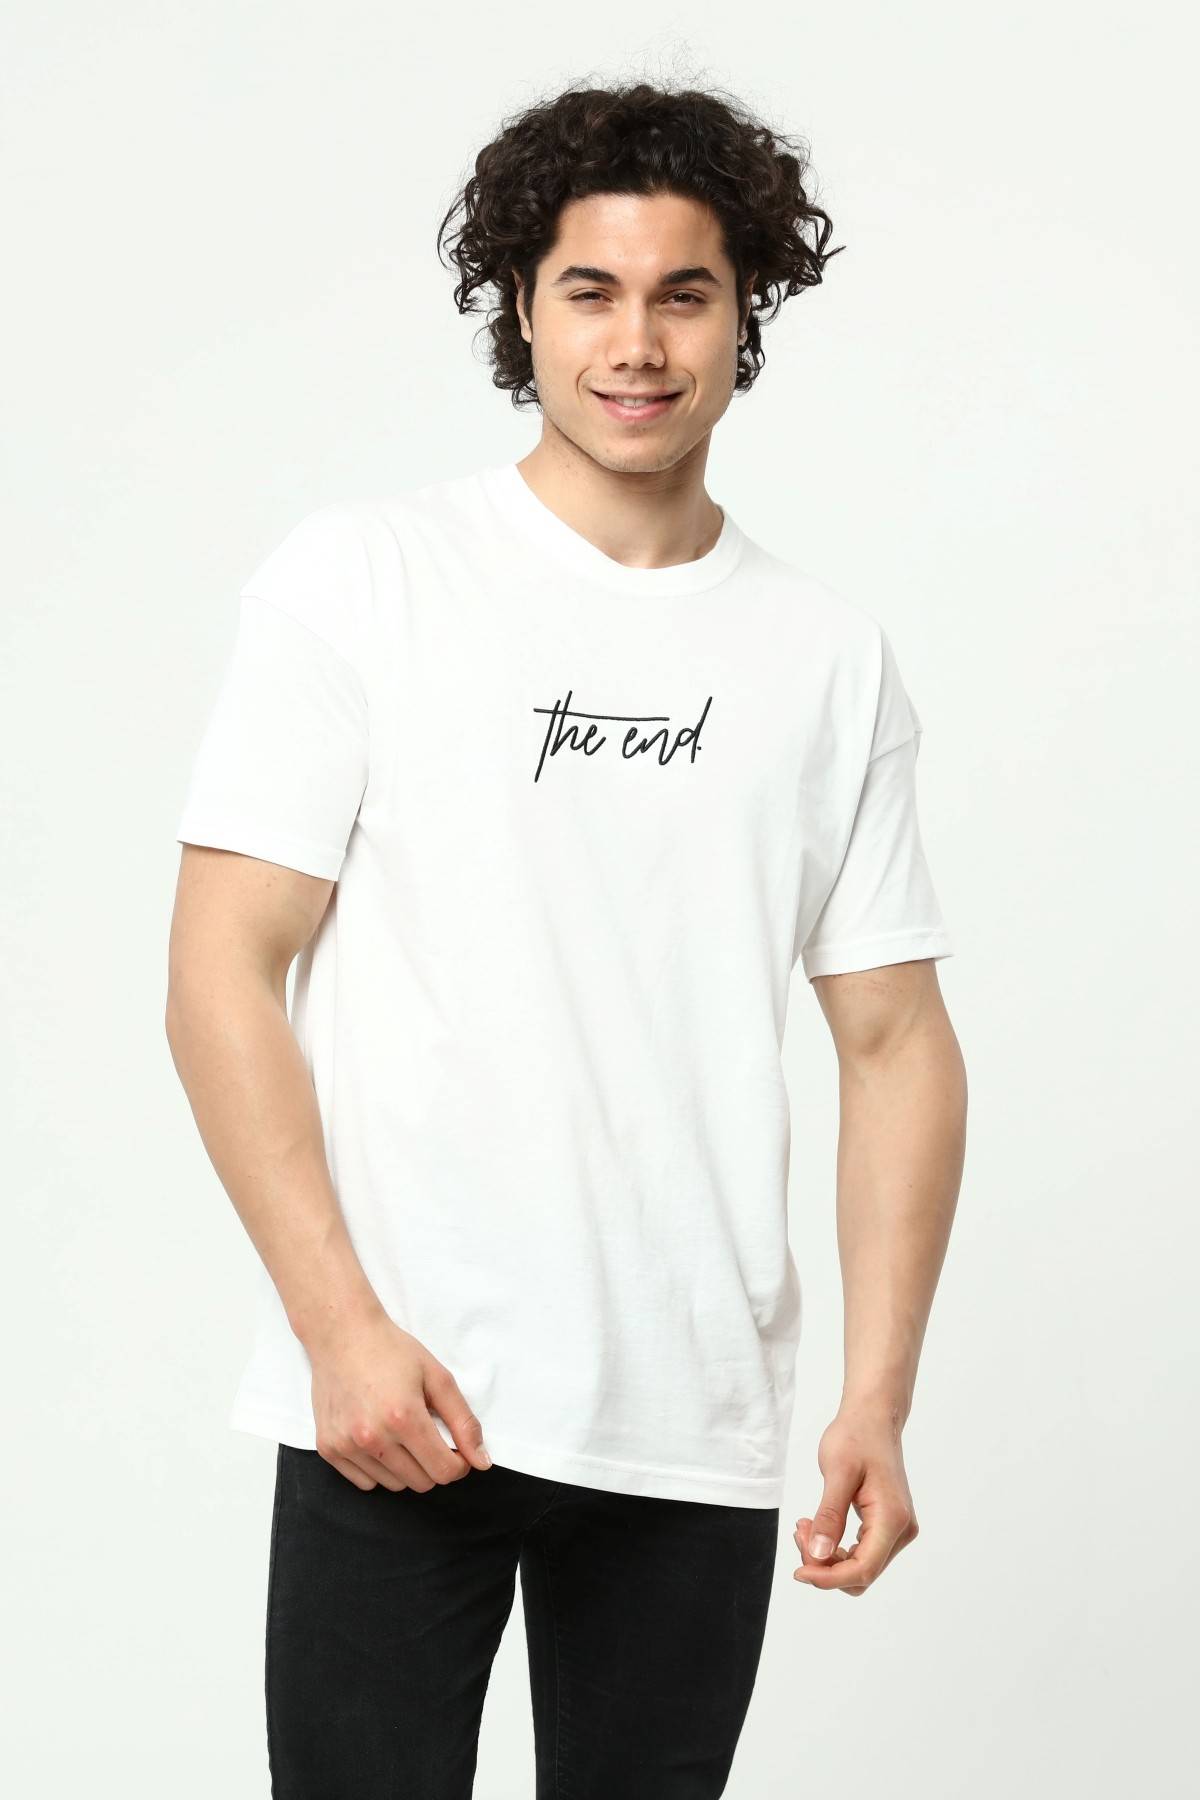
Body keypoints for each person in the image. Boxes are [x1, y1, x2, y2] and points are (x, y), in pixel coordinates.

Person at [166, 76, 968, 1800]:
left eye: (686, 293)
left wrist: (876, 1397)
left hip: (688, 1419)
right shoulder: (365, 581)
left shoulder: (826, 658)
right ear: (520, 308)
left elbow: (896, 1039)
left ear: (746, 316)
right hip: (396, 1403)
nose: (637, 344)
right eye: (590, 291)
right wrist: (336, 1330)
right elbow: (221, 969)